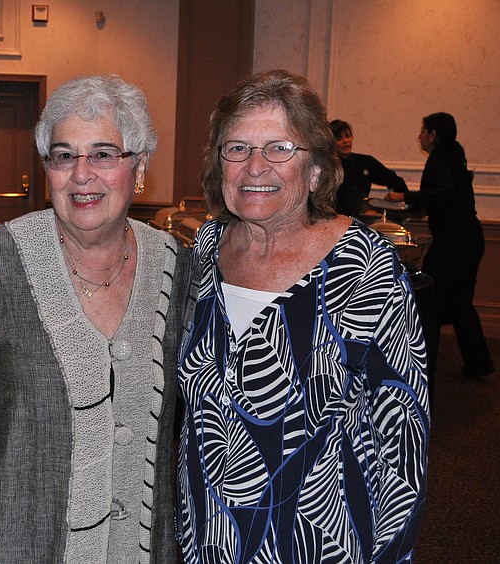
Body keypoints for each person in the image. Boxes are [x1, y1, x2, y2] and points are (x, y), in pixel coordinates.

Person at [177, 69, 429, 563]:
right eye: (237, 148)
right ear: (218, 165)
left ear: (315, 170)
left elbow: (403, 445)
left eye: (279, 149)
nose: (255, 166)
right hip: (207, 537)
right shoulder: (205, 252)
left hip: (319, 542)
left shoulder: (365, 267)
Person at [0, 74, 189, 563]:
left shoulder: (176, 266)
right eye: (63, 155)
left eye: (103, 154)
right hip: (18, 545)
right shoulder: (0, 260)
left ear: (139, 166)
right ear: (47, 169)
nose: (82, 174)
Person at [386, 112, 494, 379]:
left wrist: (404, 196)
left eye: (423, 130)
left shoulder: (439, 158)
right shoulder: (455, 153)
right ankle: (479, 364)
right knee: (460, 303)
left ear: (433, 135)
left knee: (429, 301)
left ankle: (421, 367)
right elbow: (448, 197)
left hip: (452, 242)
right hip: (469, 238)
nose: (419, 136)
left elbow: (442, 194)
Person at [330, 119, 408, 217]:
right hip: (331, 220)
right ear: (330, 142)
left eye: (348, 136)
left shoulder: (365, 162)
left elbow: (394, 180)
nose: (346, 141)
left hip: (358, 220)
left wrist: (402, 199)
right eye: (339, 138)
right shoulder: (325, 165)